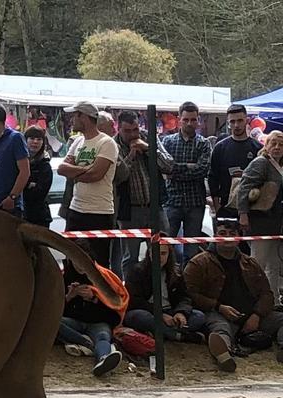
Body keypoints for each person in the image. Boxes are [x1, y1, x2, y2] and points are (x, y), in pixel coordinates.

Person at [184, 220, 283, 372]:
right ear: (215, 236)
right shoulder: (198, 263)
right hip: (217, 313)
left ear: (239, 237)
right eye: (222, 233)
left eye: (232, 234)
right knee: (220, 329)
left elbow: (266, 293)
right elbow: (190, 294)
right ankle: (224, 356)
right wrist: (219, 307)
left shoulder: (251, 263)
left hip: (252, 314)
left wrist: (256, 315)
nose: (227, 237)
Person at [112, 111, 174, 280]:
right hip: (129, 211)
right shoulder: (113, 145)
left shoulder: (148, 138)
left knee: (162, 251)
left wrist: (148, 149)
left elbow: (169, 165)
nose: (133, 135)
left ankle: (162, 289)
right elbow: (117, 176)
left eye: (135, 129)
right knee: (130, 257)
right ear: (118, 129)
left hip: (155, 207)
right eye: (127, 131)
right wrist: (131, 156)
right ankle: (131, 291)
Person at [57, 101, 119, 267]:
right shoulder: (77, 142)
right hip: (75, 209)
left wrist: (75, 173)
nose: (71, 120)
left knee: (98, 263)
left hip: (99, 212)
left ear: (83, 117)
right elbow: (62, 169)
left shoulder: (106, 143)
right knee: (71, 260)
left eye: (74, 116)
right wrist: (86, 169)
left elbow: (96, 175)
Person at [234, 130, 283, 302]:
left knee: (274, 264)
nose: (277, 147)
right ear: (266, 145)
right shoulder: (261, 163)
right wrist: (243, 214)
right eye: (273, 143)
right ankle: (251, 299)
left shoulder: (280, 165)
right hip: (260, 221)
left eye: (281, 144)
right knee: (257, 263)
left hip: (275, 222)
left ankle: (273, 299)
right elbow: (244, 188)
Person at [161, 102, 212, 263]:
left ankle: (188, 279)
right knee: (165, 248)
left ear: (198, 120)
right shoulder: (167, 142)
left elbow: (202, 170)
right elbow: (164, 168)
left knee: (192, 252)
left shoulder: (204, 143)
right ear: (179, 119)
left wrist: (174, 170)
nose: (190, 123)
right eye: (186, 119)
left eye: (193, 119)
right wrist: (188, 167)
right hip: (172, 201)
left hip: (195, 202)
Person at [122, 245, 205, 343]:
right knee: (138, 316)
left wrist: (181, 313)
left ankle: (160, 332)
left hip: (171, 311)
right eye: (155, 253)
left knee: (199, 316)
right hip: (149, 311)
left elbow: (185, 297)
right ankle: (178, 335)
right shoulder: (137, 271)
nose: (159, 257)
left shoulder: (176, 272)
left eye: (163, 253)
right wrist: (160, 314)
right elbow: (135, 301)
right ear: (149, 254)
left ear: (169, 255)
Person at [57, 259, 125, 377]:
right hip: (74, 322)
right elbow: (55, 311)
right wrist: (69, 297)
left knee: (103, 336)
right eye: (77, 261)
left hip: (98, 323)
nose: (80, 265)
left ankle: (103, 358)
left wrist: (95, 299)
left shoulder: (104, 278)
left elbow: (114, 315)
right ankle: (88, 345)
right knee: (53, 323)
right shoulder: (64, 277)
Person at [210, 105, 262, 220]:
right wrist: (217, 206)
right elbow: (213, 178)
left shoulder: (258, 148)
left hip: (252, 208)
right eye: (232, 122)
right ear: (228, 123)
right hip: (226, 208)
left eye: (240, 120)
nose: (236, 125)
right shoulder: (220, 148)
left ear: (247, 120)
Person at [22, 127, 53, 227]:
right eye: (32, 138)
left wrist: (24, 185)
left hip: (39, 218)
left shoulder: (45, 166)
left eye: (39, 139)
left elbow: (39, 193)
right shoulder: (17, 163)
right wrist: (29, 184)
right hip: (19, 215)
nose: (35, 142)